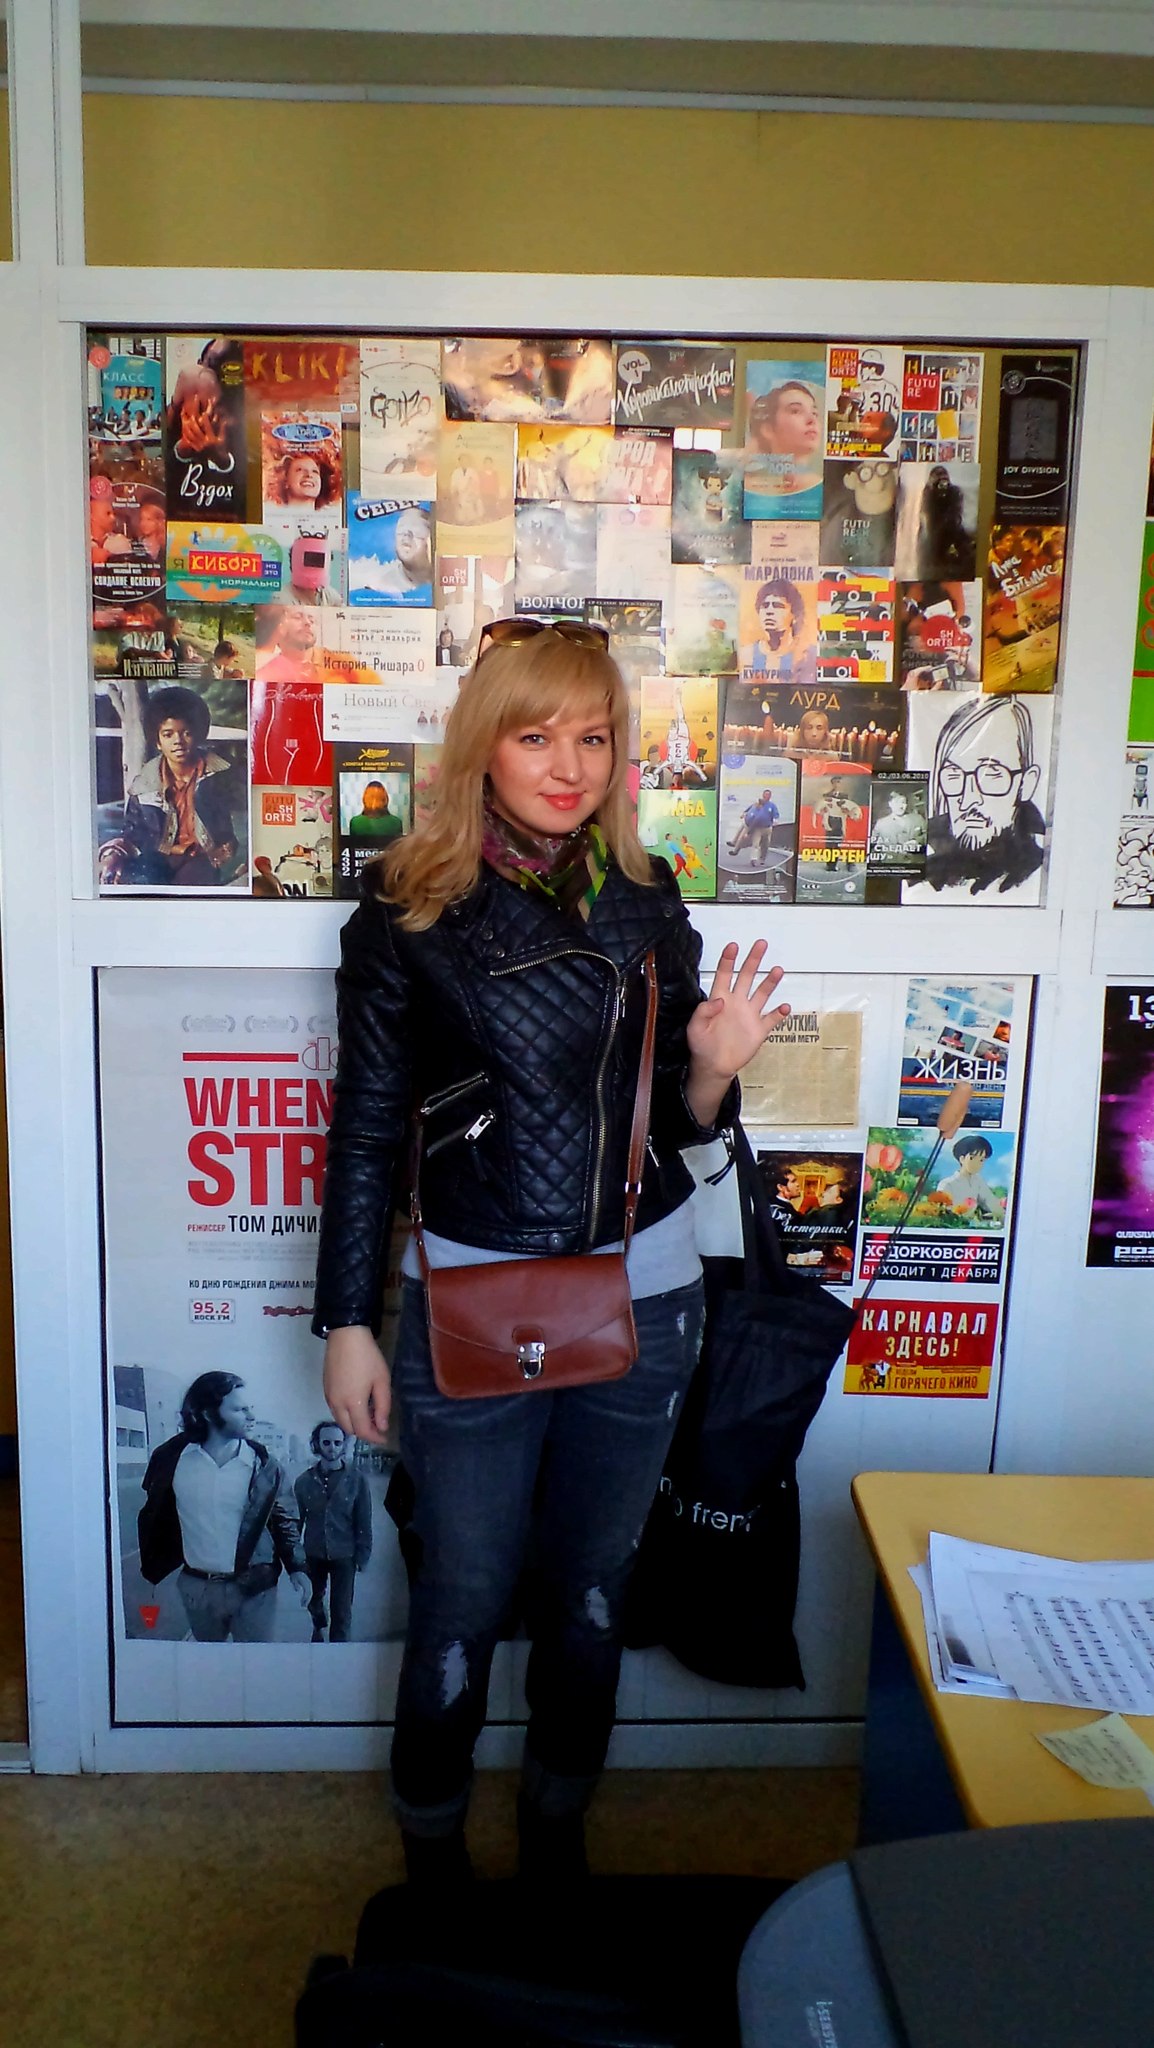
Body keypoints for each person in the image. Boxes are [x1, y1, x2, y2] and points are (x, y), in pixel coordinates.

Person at [312, 619, 788, 1886]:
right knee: (463, 1594)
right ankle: (431, 1856)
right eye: (536, 736)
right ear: (483, 744)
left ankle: (555, 1836)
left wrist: (712, 1067)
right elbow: (365, 1128)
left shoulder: (645, 893)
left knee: (590, 1588)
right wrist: (347, 1319)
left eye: (593, 737)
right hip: (474, 1294)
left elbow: (679, 1124)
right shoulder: (409, 911)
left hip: (644, 1295)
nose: (568, 766)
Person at [137, 1372, 310, 1641]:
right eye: (240, 1410)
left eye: (250, 1408)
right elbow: (154, 1514)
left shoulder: (265, 1466)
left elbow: (284, 1520)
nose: (251, 1416)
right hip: (197, 1588)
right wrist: (153, 1567)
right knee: (209, 1662)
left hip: (254, 1588)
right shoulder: (170, 1460)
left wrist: (298, 1568)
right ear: (208, 1413)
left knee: (254, 1662)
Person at [99, 685, 239, 888]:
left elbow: (237, 823)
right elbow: (132, 833)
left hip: (202, 858)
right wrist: (112, 855)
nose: (178, 742)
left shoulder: (219, 776)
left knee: (190, 888)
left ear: (198, 734)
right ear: (157, 741)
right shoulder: (145, 784)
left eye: (186, 733)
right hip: (158, 859)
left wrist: (225, 851)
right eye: (168, 734)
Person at [924, 695, 1045, 896]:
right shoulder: (923, 861)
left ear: (1026, 783)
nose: (968, 799)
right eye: (953, 775)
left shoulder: (1041, 870)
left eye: (991, 775)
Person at [294, 1422, 373, 1643]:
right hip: (314, 1553)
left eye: (337, 1443)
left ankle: (339, 1651)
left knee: (342, 1610)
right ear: (317, 1445)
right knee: (315, 1601)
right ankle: (318, 1630)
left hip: (344, 1555)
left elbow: (364, 1521)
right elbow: (295, 1523)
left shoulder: (357, 1480)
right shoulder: (304, 1482)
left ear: (344, 1445)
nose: (332, 1448)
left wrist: (363, 1556)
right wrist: (295, 1560)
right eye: (326, 1442)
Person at [748, 578, 816, 684]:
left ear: (794, 614)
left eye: (777, 606)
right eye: (765, 606)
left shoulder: (809, 655)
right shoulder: (747, 655)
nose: (769, 611)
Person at [935, 1134, 1002, 1221]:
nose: (977, 1163)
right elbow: (942, 1213)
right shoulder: (947, 1184)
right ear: (962, 1159)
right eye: (972, 1158)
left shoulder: (978, 1181)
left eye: (981, 1160)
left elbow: (990, 1201)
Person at [727, 788, 780, 865]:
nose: (766, 796)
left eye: (768, 795)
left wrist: (775, 820)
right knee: (755, 843)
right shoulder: (755, 806)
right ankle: (753, 859)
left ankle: (762, 859)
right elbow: (751, 817)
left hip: (767, 828)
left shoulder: (771, 806)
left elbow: (775, 814)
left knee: (765, 844)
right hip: (756, 827)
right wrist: (744, 815)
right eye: (765, 795)